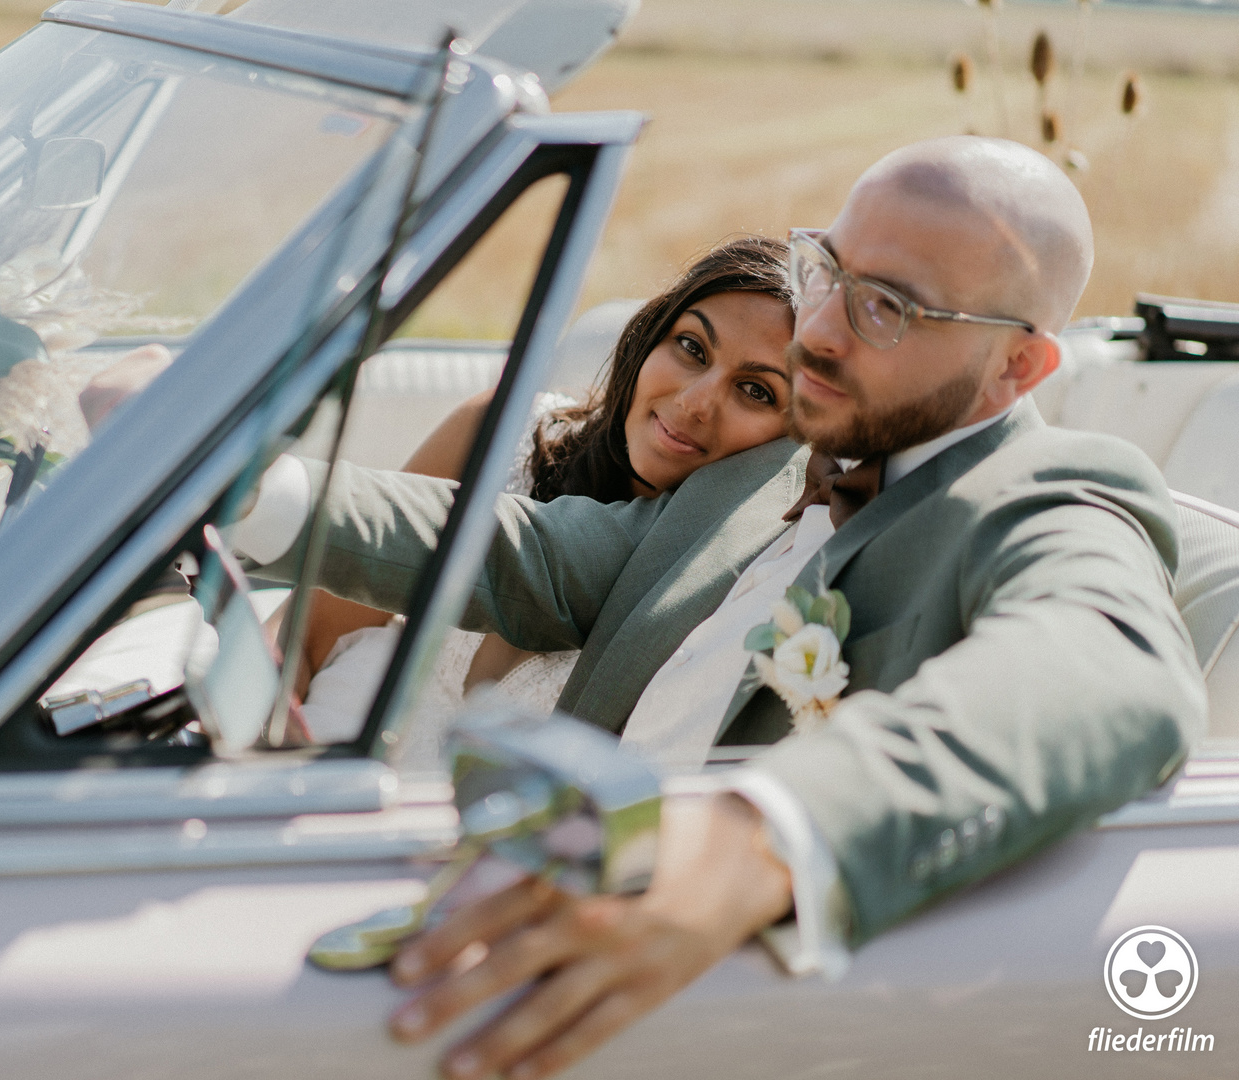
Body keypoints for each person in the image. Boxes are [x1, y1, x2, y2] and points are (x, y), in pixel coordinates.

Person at [236, 135, 1206, 1080]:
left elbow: (1104, 667)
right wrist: (257, 491)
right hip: (531, 903)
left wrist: (764, 836)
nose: (819, 328)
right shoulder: (762, 470)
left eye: (888, 308)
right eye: (825, 269)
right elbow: (530, 553)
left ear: (1019, 369)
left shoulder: (1053, 493)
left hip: (736, 1001)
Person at [283, 236, 801, 742]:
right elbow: (302, 637)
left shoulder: (727, 593)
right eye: (691, 347)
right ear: (651, 337)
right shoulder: (496, 435)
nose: (695, 400)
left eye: (755, 391)